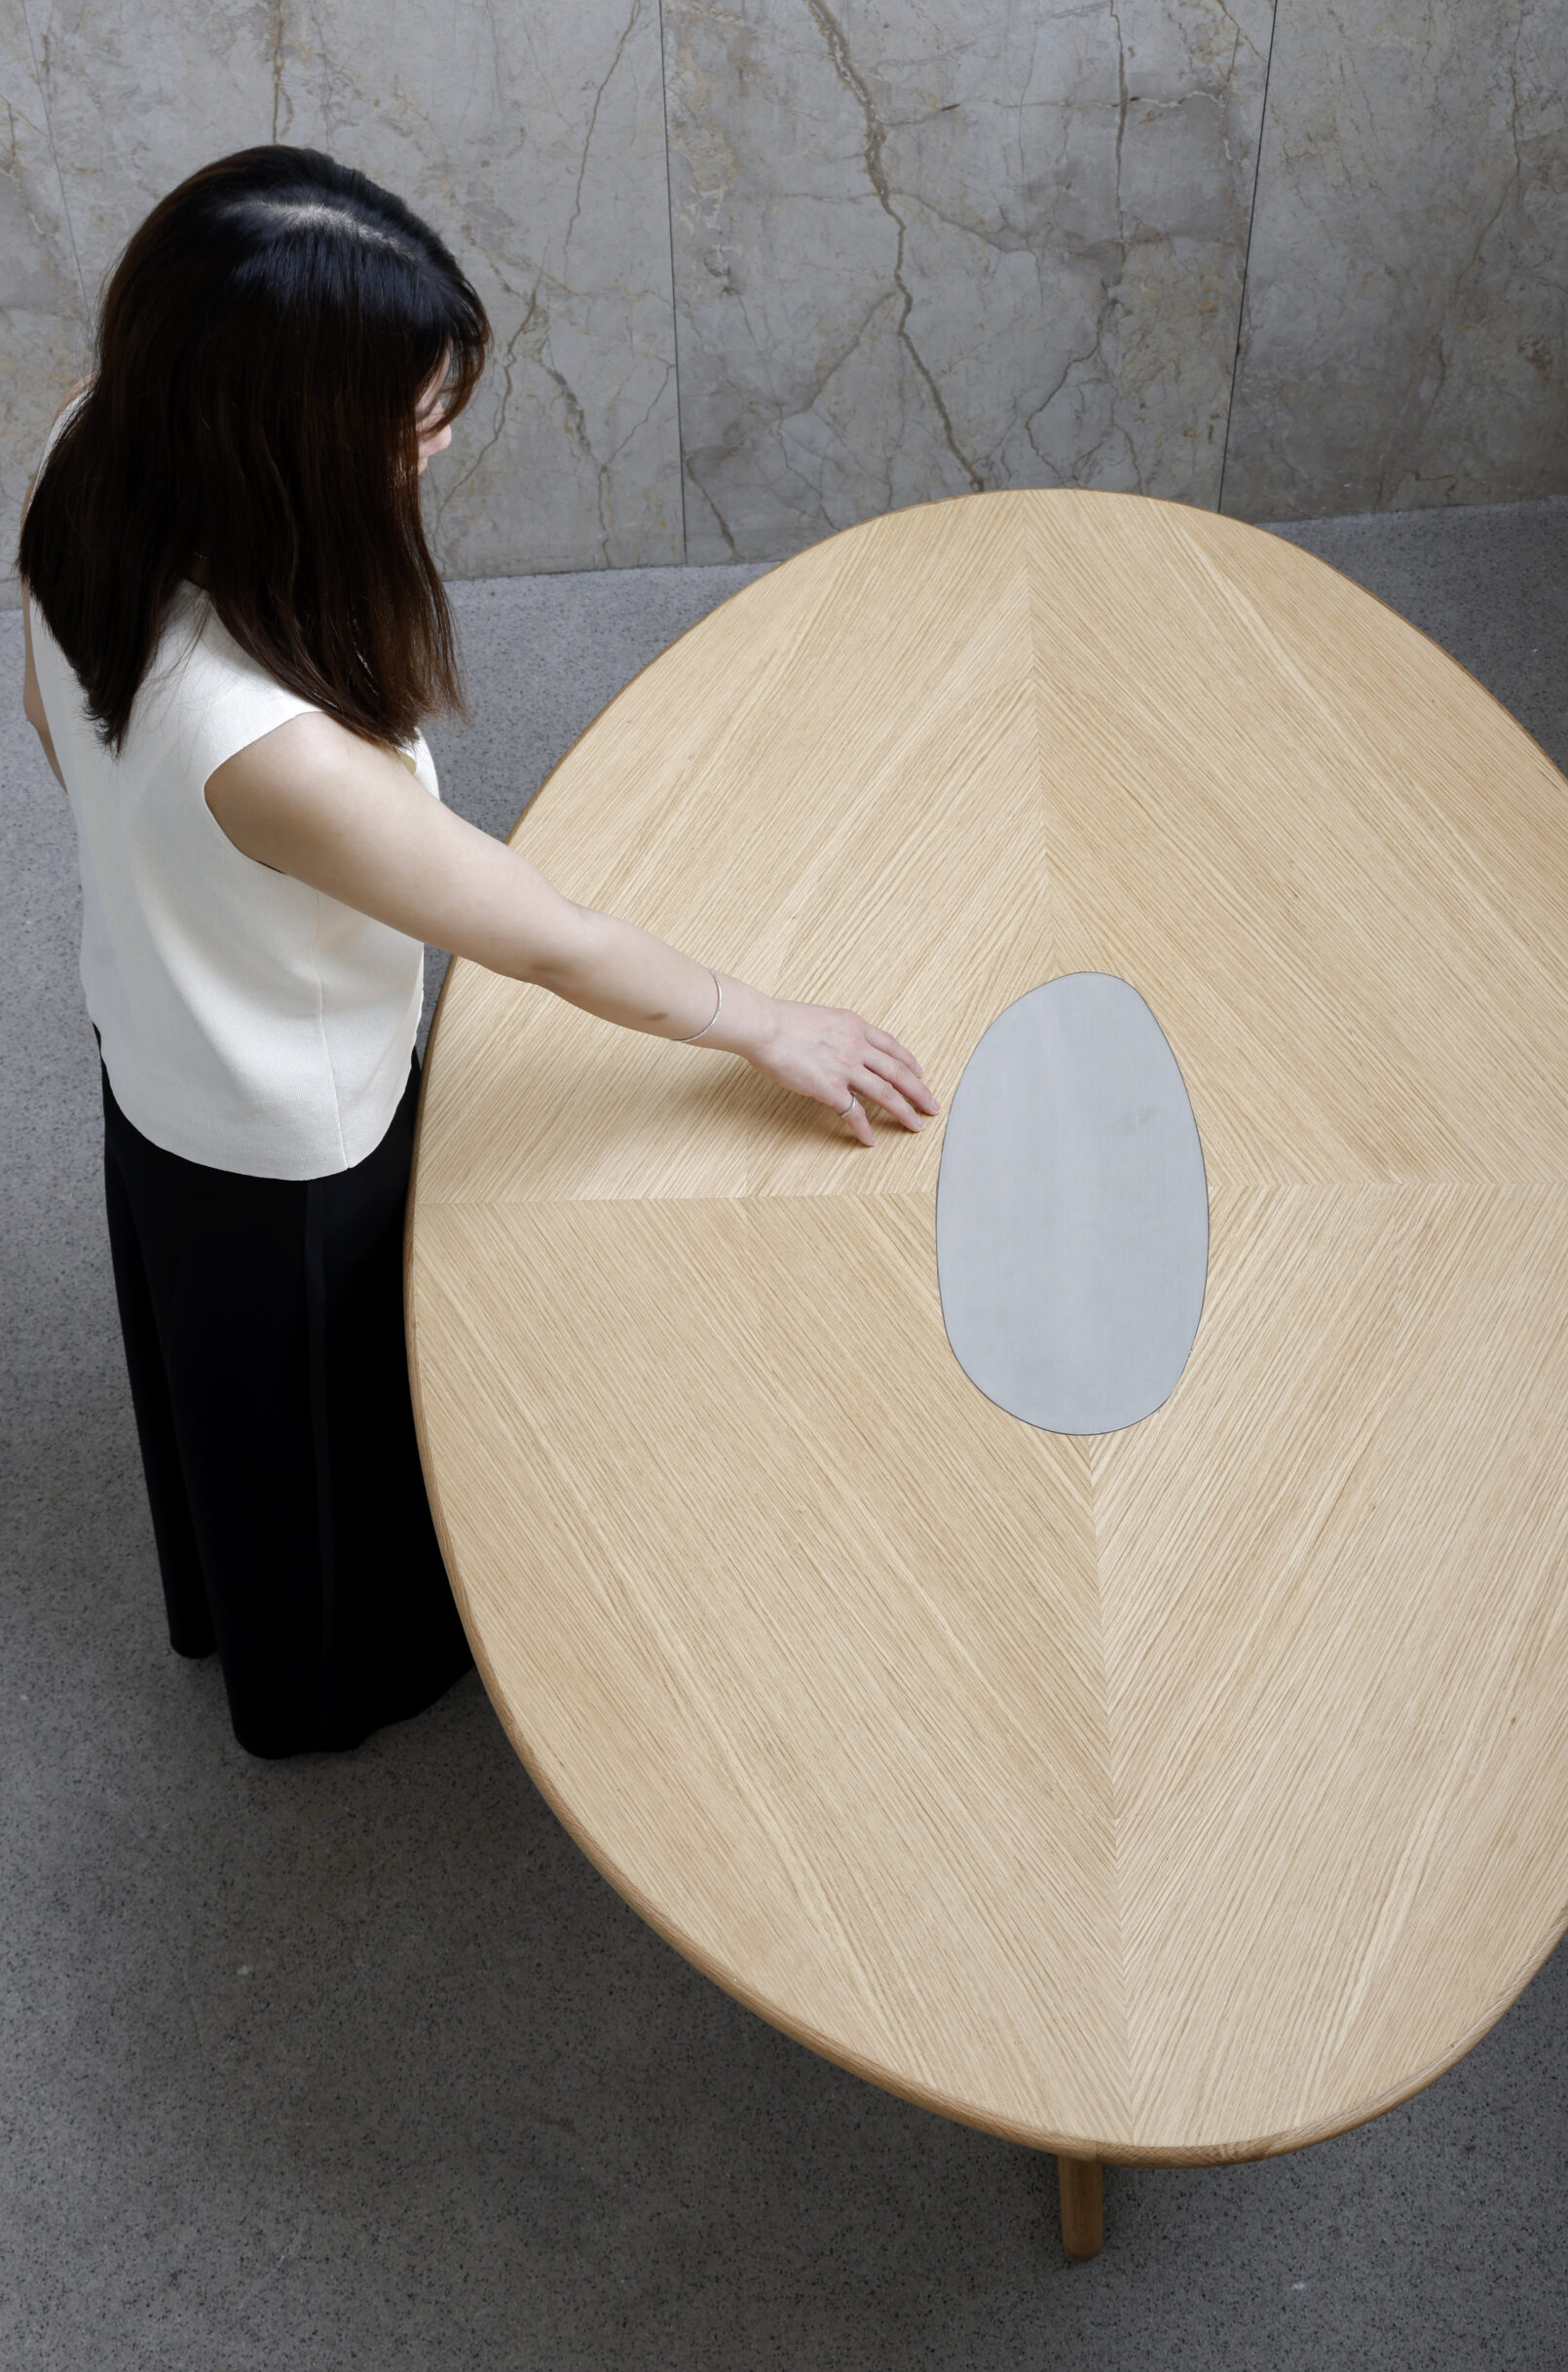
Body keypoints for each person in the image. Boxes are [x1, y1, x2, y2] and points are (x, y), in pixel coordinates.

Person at [18, 144, 939, 1762]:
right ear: (283, 430)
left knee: (230, 1396)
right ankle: (333, 1690)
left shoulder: (84, 461)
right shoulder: (269, 747)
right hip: (289, 1129)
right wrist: (763, 1023)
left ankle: (243, 1612)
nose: (436, 439)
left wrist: (167, 877)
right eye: (413, 416)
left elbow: (50, 719)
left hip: (149, 1037)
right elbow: (549, 941)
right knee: (331, 1440)